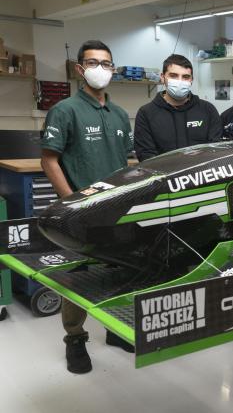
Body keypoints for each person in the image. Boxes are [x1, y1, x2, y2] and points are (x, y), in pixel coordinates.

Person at [40, 40, 134, 374]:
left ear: (113, 69)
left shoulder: (120, 114)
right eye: (93, 63)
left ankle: (113, 328)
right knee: (78, 277)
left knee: (118, 269)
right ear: (80, 69)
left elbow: (128, 160)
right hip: (80, 212)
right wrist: (71, 204)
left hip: (117, 209)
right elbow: (49, 159)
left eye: (106, 64)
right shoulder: (65, 110)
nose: (100, 69)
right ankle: (75, 338)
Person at [134, 54, 222, 161]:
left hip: (201, 176)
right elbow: (146, 156)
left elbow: (216, 151)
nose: (179, 81)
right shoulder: (146, 114)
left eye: (185, 77)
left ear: (191, 80)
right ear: (162, 77)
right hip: (164, 177)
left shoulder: (208, 110)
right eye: (173, 76)